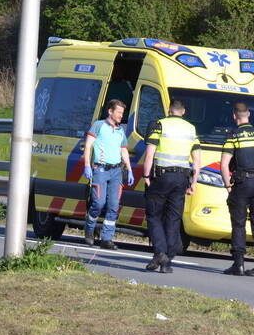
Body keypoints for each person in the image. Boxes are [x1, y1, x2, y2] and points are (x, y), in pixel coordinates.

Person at [141, 99, 201, 273]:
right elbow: (197, 159)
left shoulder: (160, 125)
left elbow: (150, 153)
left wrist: (146, 175)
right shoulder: (191, 129)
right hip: (182, 178)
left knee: (154, 215)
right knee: (173, 219)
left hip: (161, 177)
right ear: (183, 111)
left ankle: (160, 252)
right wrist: (193, 182)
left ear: (169, 110)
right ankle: (166, 261)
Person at [220, 101, 254, 277]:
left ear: (234, 115)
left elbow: (224, 164)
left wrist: (228, 185)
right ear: (249, 114)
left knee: (238, 224)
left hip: (242, 185)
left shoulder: (233, 136)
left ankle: (239, 264)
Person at [82, 99, 134, 249]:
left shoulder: (120, 130)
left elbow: (123, 150)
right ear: (110, 111)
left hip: (117, 171)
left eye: (122, 113)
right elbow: (88, 145)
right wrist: (87, 165)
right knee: (98, 203)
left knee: (113, 205)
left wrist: (129, 169)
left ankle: (107, 239)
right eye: (118, 112)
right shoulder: (98, 125)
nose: (120, 115)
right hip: (101, 170)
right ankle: (90, 229)